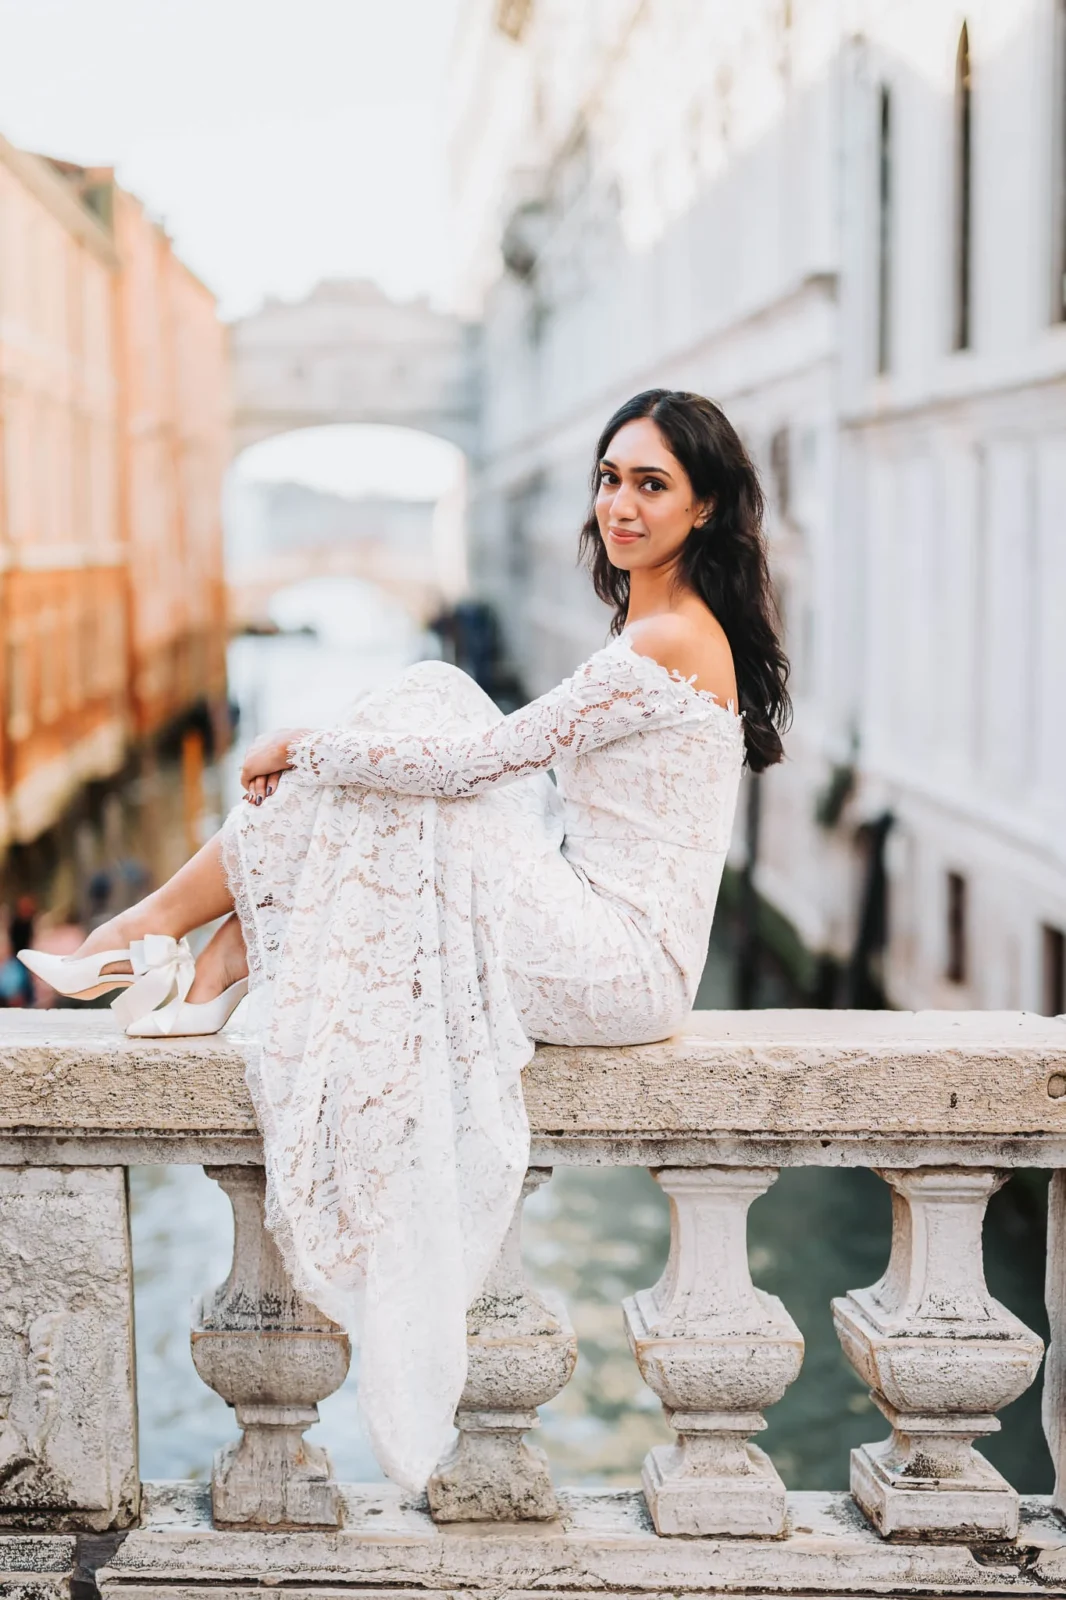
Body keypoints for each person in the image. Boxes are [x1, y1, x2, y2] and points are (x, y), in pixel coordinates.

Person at [19, 390, 790, 1490]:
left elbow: (477, 766)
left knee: (425, 712)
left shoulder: (661, 639)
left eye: (651, 483)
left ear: (705, 506)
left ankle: (162, 937)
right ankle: (206, 947)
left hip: (618, 962)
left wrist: (307, 742)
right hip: (597, 927)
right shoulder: (655, 628)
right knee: (416, 727)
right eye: (611, 477)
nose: (620, 503)